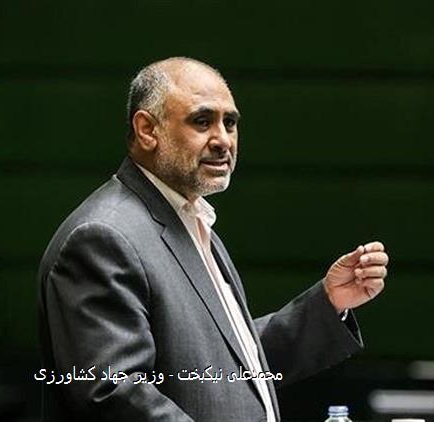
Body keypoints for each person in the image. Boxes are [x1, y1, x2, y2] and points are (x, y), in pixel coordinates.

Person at [37, 57, 389, 421]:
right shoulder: (103, 238)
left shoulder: (190, 220)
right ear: (147, 130)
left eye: (230, 123)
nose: (223, 140)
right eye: (202, 121)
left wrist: (328, 304)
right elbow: (113, 391)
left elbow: (229, 364)